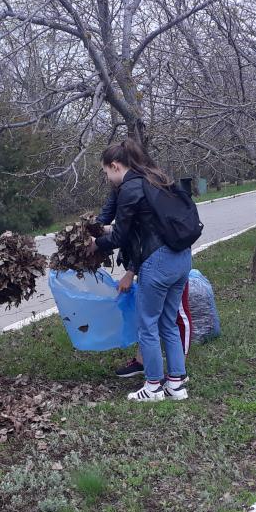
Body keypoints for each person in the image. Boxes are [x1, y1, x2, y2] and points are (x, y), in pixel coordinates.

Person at [88, 139, 193, 401]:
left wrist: (95, 245)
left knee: (148, 325)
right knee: (168, 322)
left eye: (106, 172)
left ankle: (154, 386)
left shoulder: (130, 188)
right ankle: (176, 384)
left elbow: (119, 237)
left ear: (114, 166)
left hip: (157, 262)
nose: (107, 178)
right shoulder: (154, 177)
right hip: (181, 258)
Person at [95, 200, 193, 379]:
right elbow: (129, 228)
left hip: (167, 260)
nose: (107, 178)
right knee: (154, 320)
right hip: (152, 264)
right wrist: (98, 228)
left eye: (107, 172)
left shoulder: (139, 188)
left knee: (173, 317)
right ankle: (160, 369)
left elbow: (141, 234)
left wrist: (130, 271)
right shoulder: (126, 188)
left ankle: (174, 373)